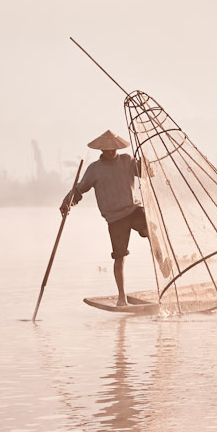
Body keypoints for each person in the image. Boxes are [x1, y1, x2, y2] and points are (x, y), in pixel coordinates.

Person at [61, 129, 148, 307]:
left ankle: (163, 261)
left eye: (112, 149)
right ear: (101, 150)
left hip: (133, 209)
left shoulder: (127, 160)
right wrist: (67, 202)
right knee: (119, 257)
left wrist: (145, 163)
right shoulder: (95, 169)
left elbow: (147, 173)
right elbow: (80, 188)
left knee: (151, 231)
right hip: (115, 218)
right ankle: (122, 297)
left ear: (117, 148)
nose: (109, 152)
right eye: (106, 150)